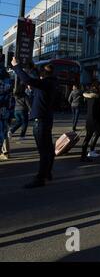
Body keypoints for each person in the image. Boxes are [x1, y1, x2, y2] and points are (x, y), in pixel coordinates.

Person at [11, 57, 58, 188]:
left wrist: (16, 66)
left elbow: (27, 80)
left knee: (44, 151)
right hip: (46, 119)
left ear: (43, 74)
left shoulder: (46, 83)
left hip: (41, 121)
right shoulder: (51, 83)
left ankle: (40, 178)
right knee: (49, 149)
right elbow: (34, 78)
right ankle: (47, 173)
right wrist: (31, 67)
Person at [80, 84, 100, 162]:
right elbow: (97, 111)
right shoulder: (97, 98)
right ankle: (90, 151)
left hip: (89, 119)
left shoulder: (89, 97)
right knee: (98, 133)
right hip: (94, 120)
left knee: (88, 137)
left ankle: (84, 155)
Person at [0, 61, 13, 161]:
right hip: (6, 110)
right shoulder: (8, 80)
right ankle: (6, 152)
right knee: (4, 131)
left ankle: (4, 152)